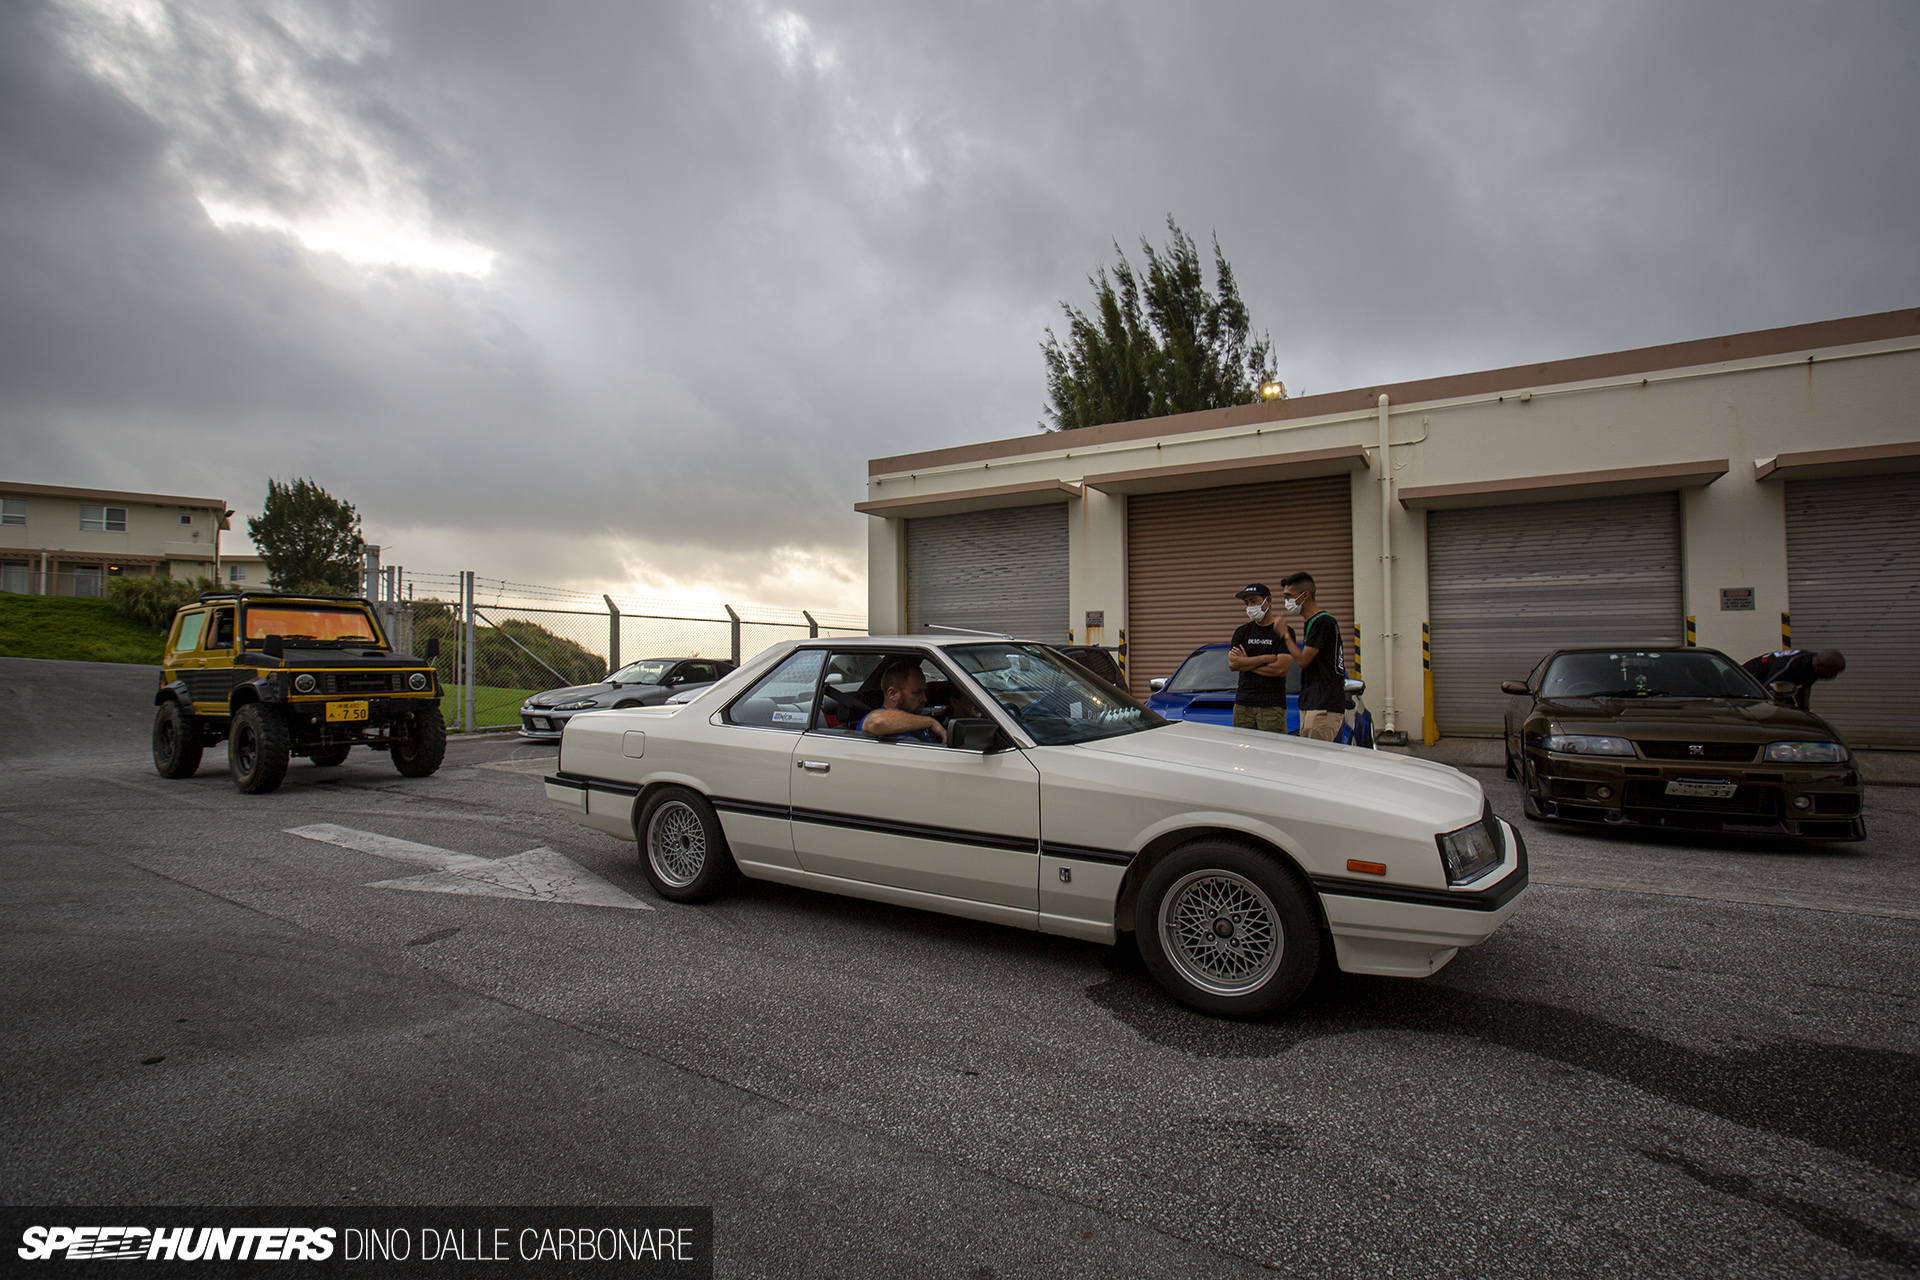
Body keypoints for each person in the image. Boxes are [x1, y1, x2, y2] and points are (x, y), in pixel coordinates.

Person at [1278, 571, 1345, 742]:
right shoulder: (1312, 622)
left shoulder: (1323, 622)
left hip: (1323, 706)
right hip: (1311, 702)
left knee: (1318, 761)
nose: (1287, 602)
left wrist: (1285, 635)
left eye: (1290, 596)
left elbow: (1302, 660)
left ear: (1305, 595)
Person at [1226, 583, 1291, 734]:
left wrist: (1246, 663)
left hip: (1272, 706)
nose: (1250, 606)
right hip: (1243, 705)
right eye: (1247, 603)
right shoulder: (1242, 632)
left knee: (1272, 753)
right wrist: (1266, 658)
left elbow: (1281, 668)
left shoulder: (1283, 632)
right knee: (1242, 752)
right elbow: (1233, 664)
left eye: (1254, 601)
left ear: (1268, 601)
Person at [859, 660, 948, 743]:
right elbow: (877, 721)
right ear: (893, 694)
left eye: (924, 692)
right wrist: (931, 722)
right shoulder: (874, 722)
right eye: (917, 693)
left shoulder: (917, 721)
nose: (924, 698)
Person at [1743, 648, 1845, 712]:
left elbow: (1804, 689)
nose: (1832, 676)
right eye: (1832, 673)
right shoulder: (1788, 667)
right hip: (1746, 680)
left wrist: (1805, 711)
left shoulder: (1812, 666)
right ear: (1820, 667)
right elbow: (1762, 689)